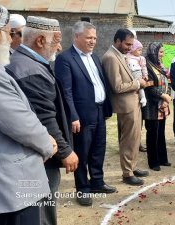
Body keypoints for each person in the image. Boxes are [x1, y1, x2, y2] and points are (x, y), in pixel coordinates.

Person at [6, 16, 79, 225]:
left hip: (34, 156)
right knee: (41, 213)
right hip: (39, 159)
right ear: (40, 41)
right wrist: (65, 151)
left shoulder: (25, 62)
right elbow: (44, 118)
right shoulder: (29, 70)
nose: (60, 46)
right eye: (56, 41)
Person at [0, 6, 56, 225]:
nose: (10, 38)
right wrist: (47, 143)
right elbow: (19, 122)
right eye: (7, 32)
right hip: (13, 185)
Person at [54, 21, 116, 206]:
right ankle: (82, 188)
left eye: (95, 38)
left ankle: (97, 181)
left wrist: (106, 107)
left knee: (99, 148)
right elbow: (66, 91)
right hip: (81, 115)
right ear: (77, 37)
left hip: (98, 111)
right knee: (82, 151)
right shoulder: (65, 58)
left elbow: (100, 83)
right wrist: (73, 115)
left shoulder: (94, 57)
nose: (93, 41)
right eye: (89, 37)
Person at [102, 28, 150, 186]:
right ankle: (127, 173)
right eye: (127, 44)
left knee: (135, 138)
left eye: (131, 45)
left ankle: (132, 167)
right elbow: (117, 86)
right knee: (128, 140)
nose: (130, 48)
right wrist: (138, 83)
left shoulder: (120, 55)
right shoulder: (110, 57)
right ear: (117, 41)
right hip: (125, 105)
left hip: (133, 102)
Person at [142, 42, 173, 171]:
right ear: (153, 52)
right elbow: (149, 87)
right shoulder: (147, 67)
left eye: (163, 52)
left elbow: (169, 82)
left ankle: (162, 159)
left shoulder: (160, 66)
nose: (162, 54)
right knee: (152, 134)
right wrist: (162, 96)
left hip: (162, 105)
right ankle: (153, 162)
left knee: (161, 133)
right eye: (160, 52)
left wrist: (167, 98)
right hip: (152, 106)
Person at [126, 39, 148, 107]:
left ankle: (143, 98)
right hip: (130, 74)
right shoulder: (127, 56)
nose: (140, 52)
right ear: (133, 49)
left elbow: (144, 67)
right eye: (139, 50)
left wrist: (145, 75)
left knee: (140, 86)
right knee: (134, 86)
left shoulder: (141, 58)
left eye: (141, 50)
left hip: (138, 72)